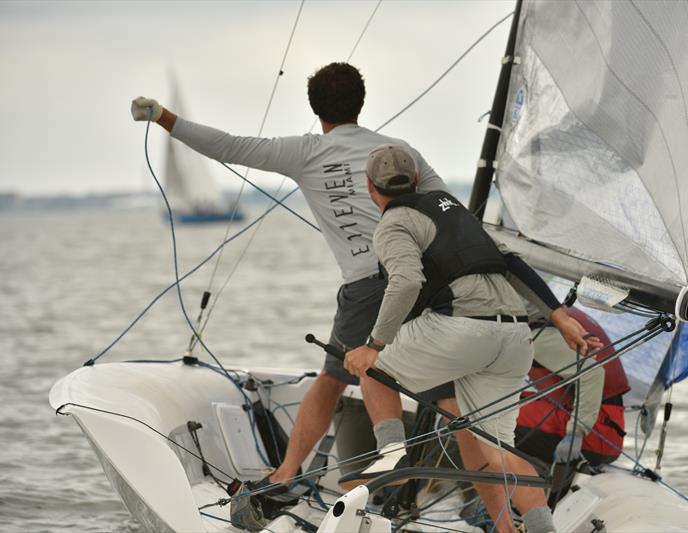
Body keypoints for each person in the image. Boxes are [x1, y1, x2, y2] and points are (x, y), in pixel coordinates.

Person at [129, 63, 496, 512]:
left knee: (344, 373)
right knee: (444, 395)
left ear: (315, 109)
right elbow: (452, 211)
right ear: (361, 102)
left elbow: (228, 146)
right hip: (425, 284)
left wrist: (164, 117)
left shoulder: (306, 151)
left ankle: (321, 471)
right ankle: (488, 498)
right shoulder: (399, 152)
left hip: (366, 289)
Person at [343, 144, 602, 533]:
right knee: (498, 453)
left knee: (368, 367)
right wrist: (559, 316)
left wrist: (374, 345)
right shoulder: (452, 208)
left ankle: (392, 454)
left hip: (463, 330)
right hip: (515, 336)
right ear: (415, 180)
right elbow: (512, 262)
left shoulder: (393, 223)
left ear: (370, 187)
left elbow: (407, 280)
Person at [516, 308, 630, 467]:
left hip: (597, 436)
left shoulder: (537, 333)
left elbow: (592, 373)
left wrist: (575, 433)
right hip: (608, 428)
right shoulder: (555, 313)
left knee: (482, 415)